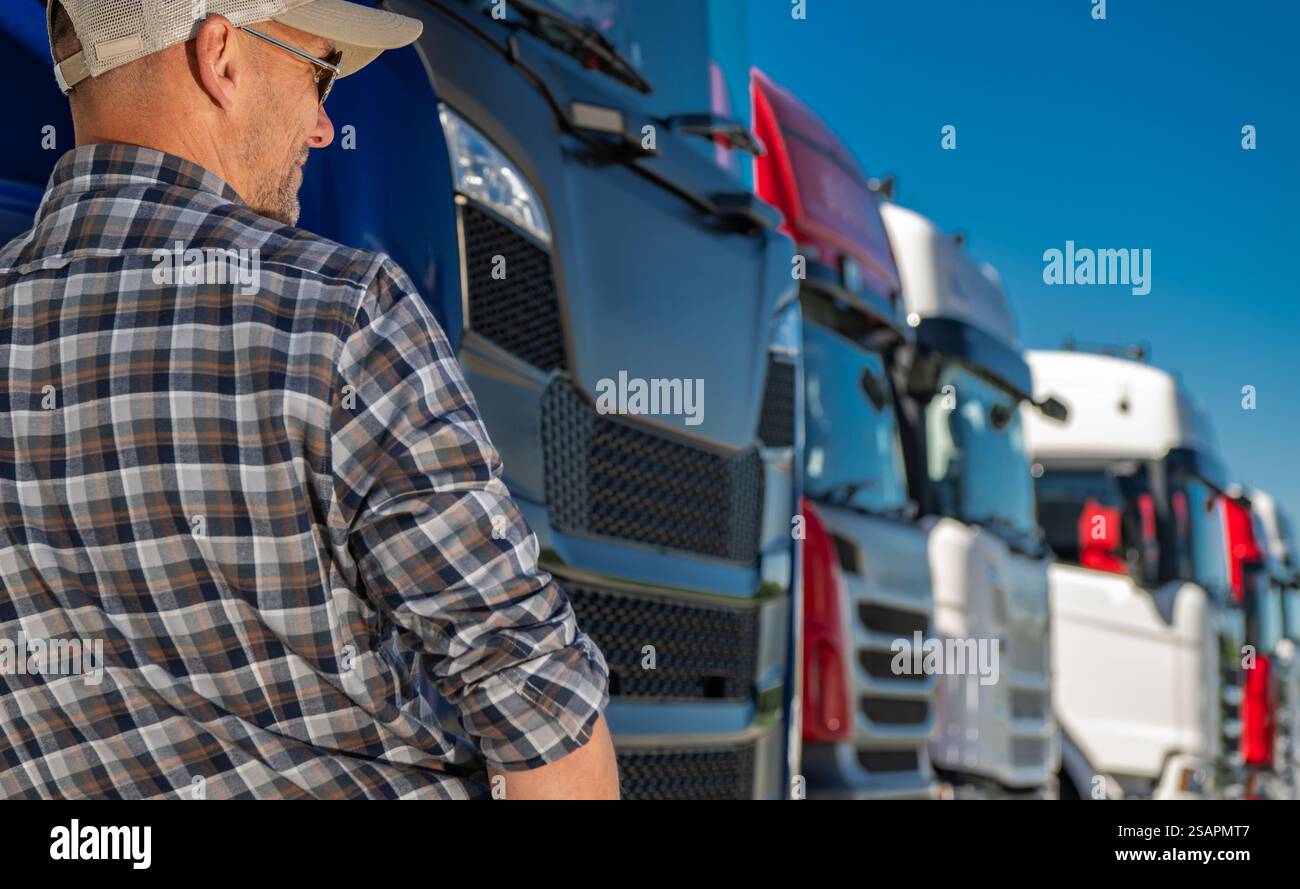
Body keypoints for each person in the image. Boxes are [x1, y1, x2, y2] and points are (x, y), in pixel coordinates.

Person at [0, 0, 617, 800]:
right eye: (318, 71)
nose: (325, 126)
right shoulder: (342, 316)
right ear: (219, 55)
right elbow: (543, 727)